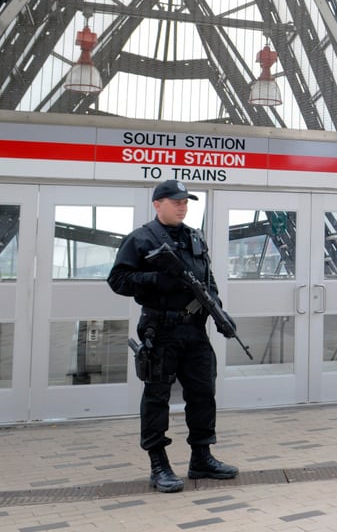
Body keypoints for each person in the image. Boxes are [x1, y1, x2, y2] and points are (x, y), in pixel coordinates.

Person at [108, 180, 239, 493]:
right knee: (157, 398)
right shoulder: (141, 239)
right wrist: (157, 280)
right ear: (158, 204)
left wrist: (217, 310)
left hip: (194, 329)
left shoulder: (194, 237)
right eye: (176, 201)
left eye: (185, 202)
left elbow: (207, 280)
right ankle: (158, 464)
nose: (183, 206)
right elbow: (118, 280)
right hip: (160, 329)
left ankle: (202, 457)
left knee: (203, 392)